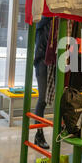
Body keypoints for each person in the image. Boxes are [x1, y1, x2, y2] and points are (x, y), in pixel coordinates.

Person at [33, 16, 51, 149]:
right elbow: (41, 44)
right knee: (42, 99)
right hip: (43, 62)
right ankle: (39, 134)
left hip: (53, 61)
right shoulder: (44, 21)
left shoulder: (56, 20)